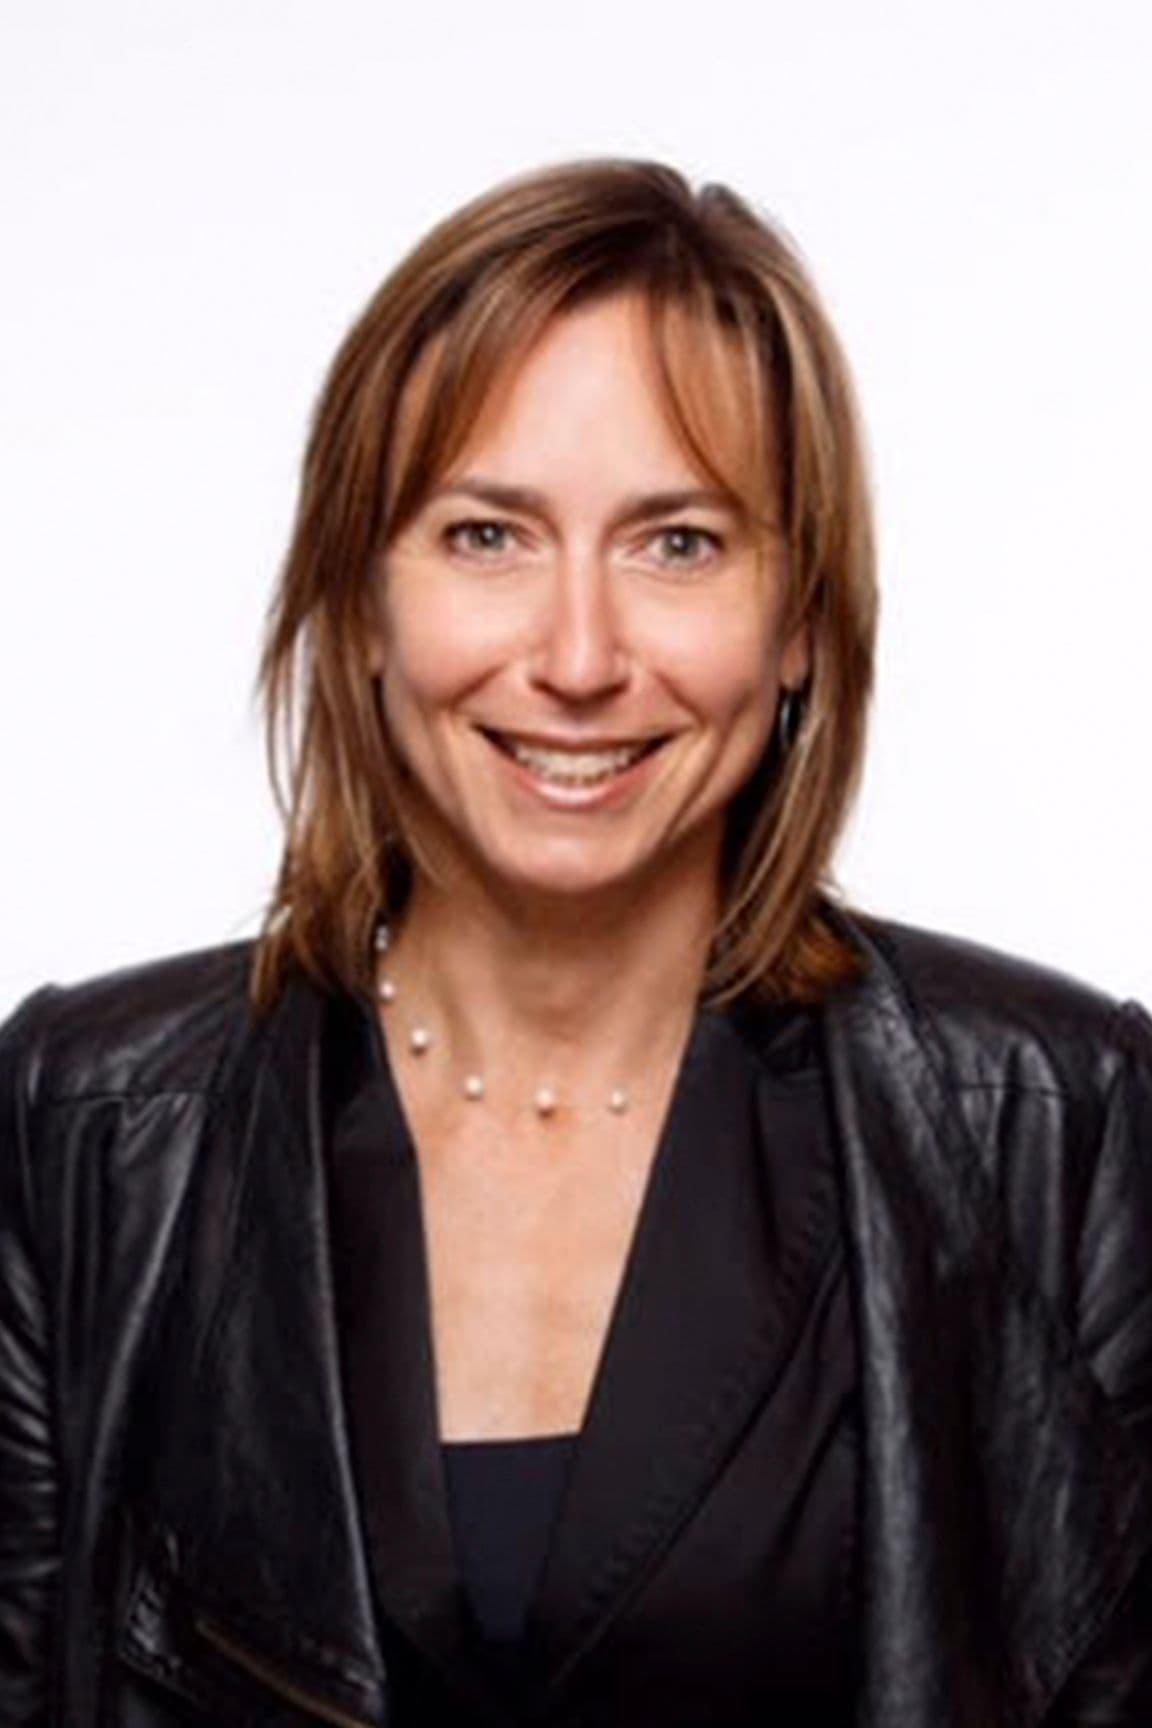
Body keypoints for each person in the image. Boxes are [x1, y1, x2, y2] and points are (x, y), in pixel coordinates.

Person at [1, 156, 1150, 1728]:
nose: (581, 657)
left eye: (678, 543)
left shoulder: (1061, 1123)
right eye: (488, 537)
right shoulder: (81, 1125)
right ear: (358, 601)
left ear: (800, 615)